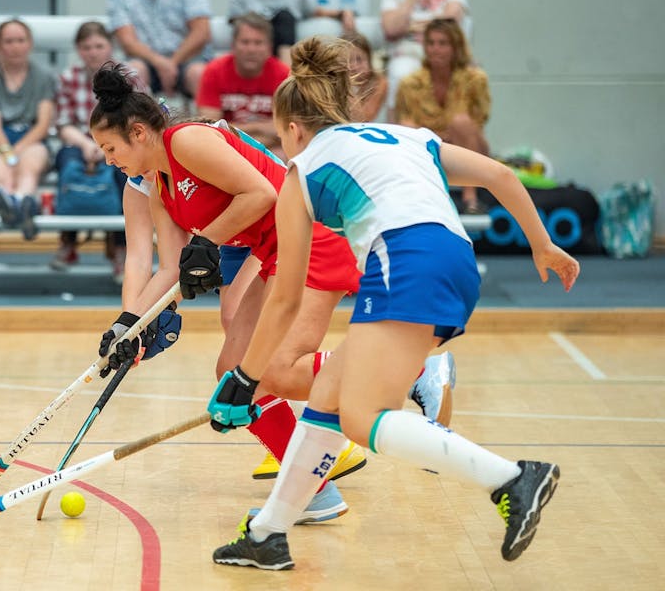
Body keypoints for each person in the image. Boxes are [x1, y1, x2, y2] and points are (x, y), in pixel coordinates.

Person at [210, 35, 580, 570]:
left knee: (363, 419)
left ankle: (512, 479)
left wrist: (246, 377)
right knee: (329, 398)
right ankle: (269, 533)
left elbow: (285, 297)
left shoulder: (303, 171)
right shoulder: (407, 135)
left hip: (404, 261)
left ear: (292, 128)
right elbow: (499, 174)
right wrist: (542, 244)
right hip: (455, 259)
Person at [89, 63, 455, 521]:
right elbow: (168, 269)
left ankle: (414, 366)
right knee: (233, 373)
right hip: (278, 250)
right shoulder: (159, 188)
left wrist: (208, 241)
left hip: (313, 236)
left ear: (139, 132)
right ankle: (315, 493)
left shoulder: (187, 140)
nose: (107, 160)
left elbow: (261, 193)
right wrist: (129, 324)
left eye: (109, 148)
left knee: (270, 371)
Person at [53, 21, 129, 282]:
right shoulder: (68, 77)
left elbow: (134, 121)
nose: (93, 52)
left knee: (125, 174)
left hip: (118, 142)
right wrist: (88, 145)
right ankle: (68, 241)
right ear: (78, 49)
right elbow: (63, 123)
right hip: (79, 142)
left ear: (110, 46)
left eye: (99, 46)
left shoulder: (127, 77)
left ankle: (120, 248)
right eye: (87, 47)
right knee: (67, 165)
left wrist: (105, 145)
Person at [396, 18, 489, 213]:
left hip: (469, 146)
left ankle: (470, 196)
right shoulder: (409, 83)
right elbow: (403, 124)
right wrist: (438, 137)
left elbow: (478, 123)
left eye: (442, 43)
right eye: (430, 43)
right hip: (429, 146)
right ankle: (416, 194)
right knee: (406, 126)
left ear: (455, 47)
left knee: (461, 122)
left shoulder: (475, 79)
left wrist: (447, 134)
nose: (435, 49)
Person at [0, 18, 57, 241]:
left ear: (29, 43)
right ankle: (20, 205)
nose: (15, 46)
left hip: (31, 139)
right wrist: (8, 155)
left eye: (20, 40)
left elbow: (42, 125)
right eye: (9, 41)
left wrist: (14, 154)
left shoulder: (44, 75)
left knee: (30, 164)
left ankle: (17, 203)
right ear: (0, 46)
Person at [196, 12, 290, 160]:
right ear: (233, 45)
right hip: (225, 150)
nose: (251, 49)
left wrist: (234, 132)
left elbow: (287, 132)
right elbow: (210, 129)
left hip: (264, 150)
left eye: (258, 43)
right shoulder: (214, 71)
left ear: (269, 47)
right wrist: (260, 127)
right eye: (245, 42)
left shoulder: (284, 75)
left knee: (285, 154)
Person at [380, 0, 468, 122]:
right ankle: (395, 134)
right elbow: (391, 29)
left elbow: (451, 21)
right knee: (399, 74)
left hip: (444, 50)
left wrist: (412, 26)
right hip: (407, 53)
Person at [106, 0, 212, 99]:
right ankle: (135, 115)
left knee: (199, 73)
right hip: (145, 61)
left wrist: (172, 63)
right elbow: (128, 42)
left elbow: (201, 33)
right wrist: (161, 63)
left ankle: (208, 115)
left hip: (188, 59)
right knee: (132, 73)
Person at [228, 0, 357, 64]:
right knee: (254, 25)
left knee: (285, 17)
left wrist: (343, 13)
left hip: (283, 54)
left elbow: (316, 11)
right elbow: (237, 27)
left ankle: (286, 77)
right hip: (254, 55)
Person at [342, 31, 387, 122]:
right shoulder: (332, 83)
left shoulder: (379, 82)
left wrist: (347, 86)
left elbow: (364, 118)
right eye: (347, 60)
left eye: (359, 60)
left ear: (369, 59)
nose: (354, 66)